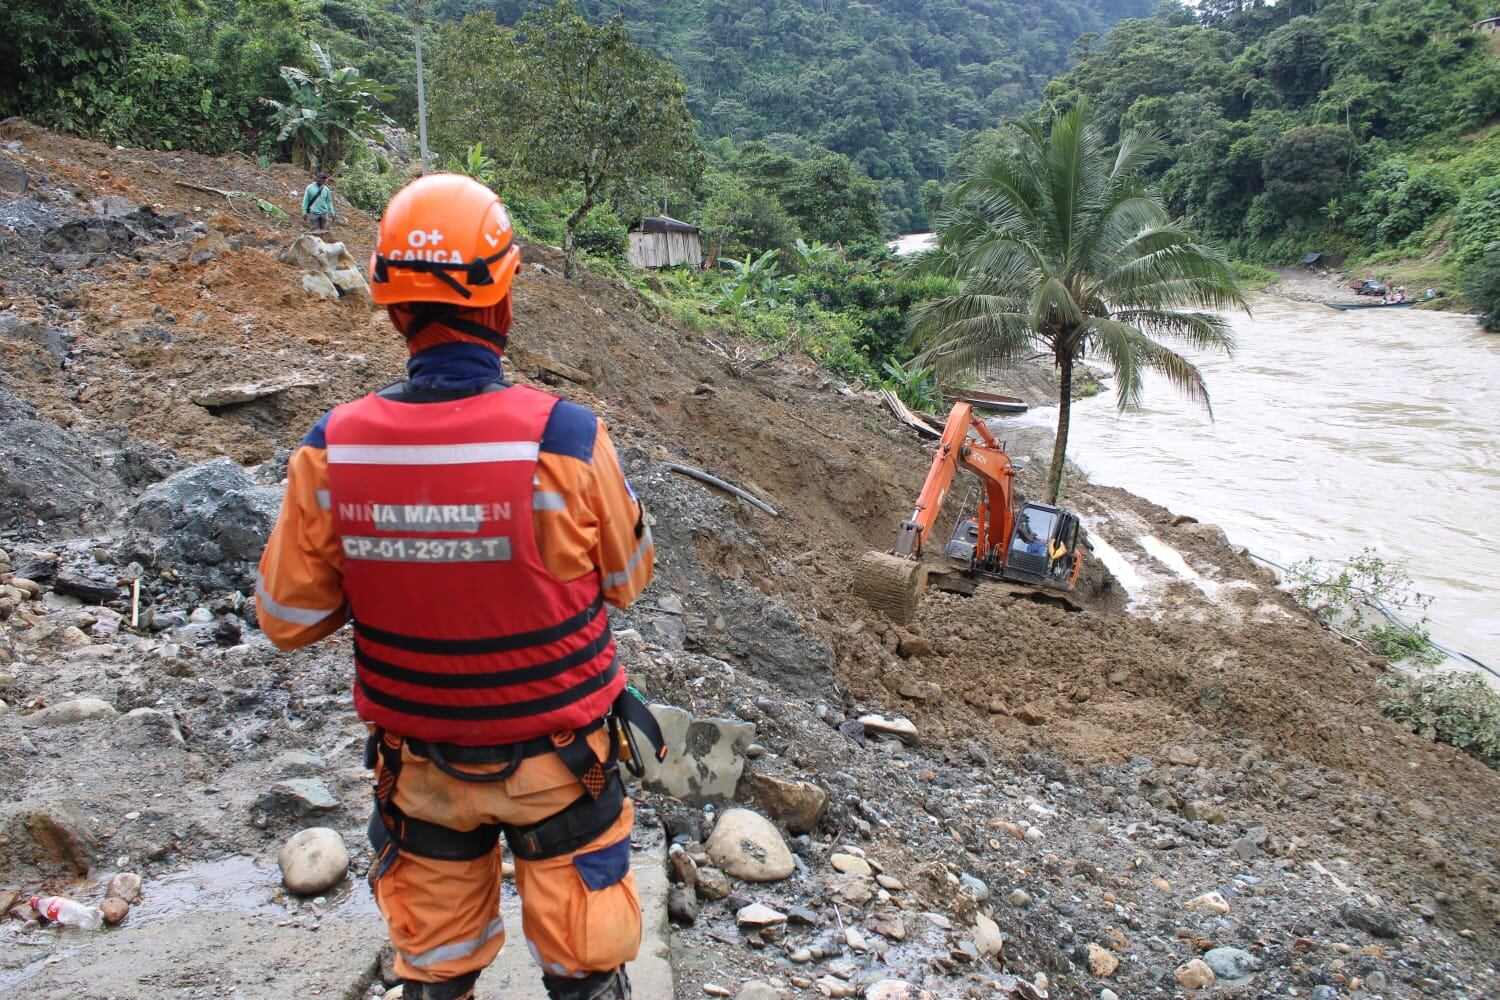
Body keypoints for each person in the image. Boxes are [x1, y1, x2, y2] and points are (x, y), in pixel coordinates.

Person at [256, 173, 662, 1000]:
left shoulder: (333, 450)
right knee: (585, 970)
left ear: (394, 309)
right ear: (503, 295)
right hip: (561, 768)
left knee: (435, 974)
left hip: (422, 772)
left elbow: (289, 618)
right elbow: (627, 581)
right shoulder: (568, 439)